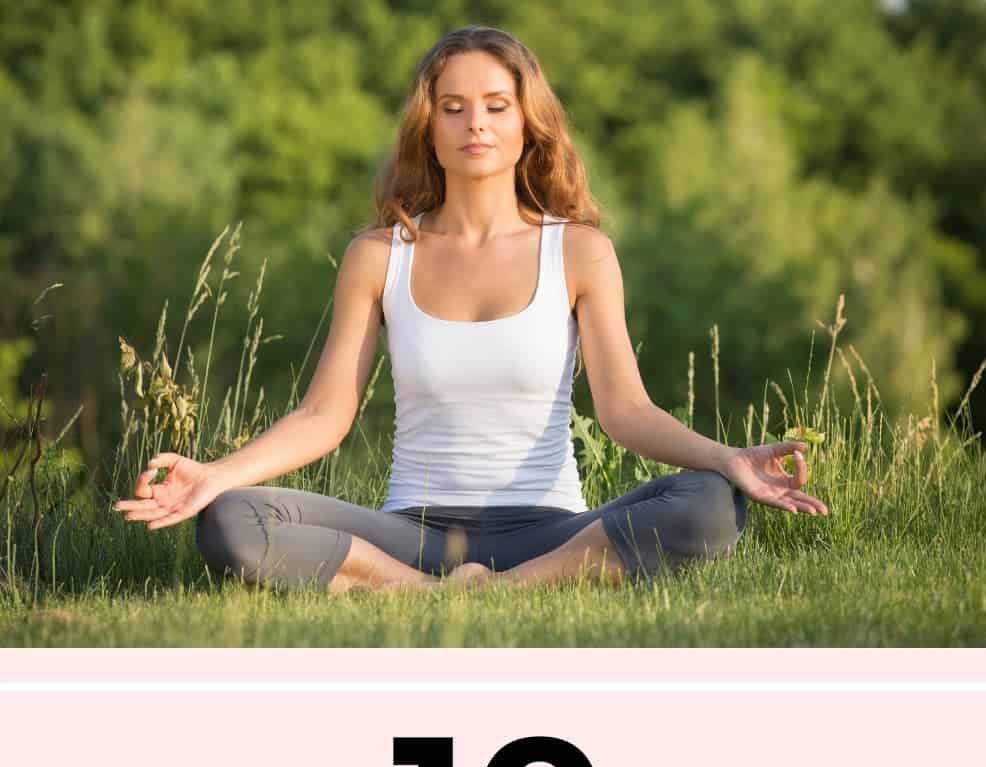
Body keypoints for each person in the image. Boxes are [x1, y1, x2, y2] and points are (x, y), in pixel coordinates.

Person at [114, 26, 826, 593]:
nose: (474, 125)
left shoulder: (578, 253)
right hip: (413, 534)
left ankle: (511, 587)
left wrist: (728, 459)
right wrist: (216, 474)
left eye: (495, 106)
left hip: (552, 530)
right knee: (231, 520)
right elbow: (325, 417)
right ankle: (420, 592)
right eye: (452, 108)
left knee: (707, 504)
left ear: (527, 124)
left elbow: (626, 413)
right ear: (429, 128)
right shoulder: (379, 255)